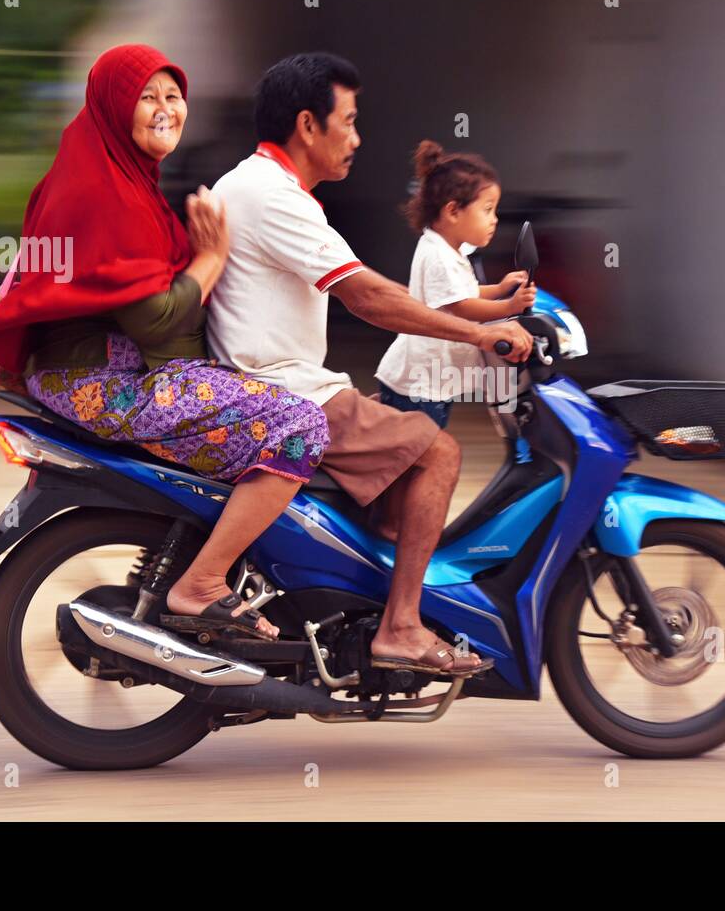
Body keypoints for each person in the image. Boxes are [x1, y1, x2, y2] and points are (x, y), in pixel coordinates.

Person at [0, 44, 331, 641]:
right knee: (301, 425)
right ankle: (202, 583)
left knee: (263, 403)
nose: (166, 109)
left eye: (173, 96)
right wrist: (212, 256)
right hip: (104, 384)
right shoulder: (103, 192)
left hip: (97, 375)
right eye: (147, 97)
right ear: (115, 105)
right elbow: (156, 320)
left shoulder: (112, 175)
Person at [207, 52, 533, 678]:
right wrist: (481, 333)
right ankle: (402, 628)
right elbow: (369, 297)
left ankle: (356, 588)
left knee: (400, 448)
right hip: (287, 389)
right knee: (438, 452)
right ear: (308, 125)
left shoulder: (246, 184)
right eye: (349, 121)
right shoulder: (277, 198)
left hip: (261, 380)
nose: (357, 138)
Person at [374, 140, 537, 428]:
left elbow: (462, 293)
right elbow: (461, 307)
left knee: (417, 456)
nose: (494, 219)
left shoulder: (449, 250)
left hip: (427, 382)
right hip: (419, 387)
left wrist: (499, 289)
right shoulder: (438, 255)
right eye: (487, 209)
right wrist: (508, 306)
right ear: (453, 211)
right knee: (419, 458)